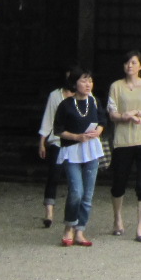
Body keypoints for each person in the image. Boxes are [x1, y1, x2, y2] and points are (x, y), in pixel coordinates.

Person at [107, 50, 141, 241]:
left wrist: (138, 112)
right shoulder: (116, 86)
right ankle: (118, 219)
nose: (129, 66)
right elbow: (112, 112)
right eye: (127, 63)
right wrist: (124, 116)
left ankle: (140, 228)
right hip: (123, 140)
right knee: (119, 182)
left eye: (133, 62)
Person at [53, 69, 106, 246]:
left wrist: (97, 131)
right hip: (72, 150)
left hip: (91, 149)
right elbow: (58, 130)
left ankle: (80, 230)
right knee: (76, 191)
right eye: (84, 81)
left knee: (88, 194)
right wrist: (78, 137)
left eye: (90, 81)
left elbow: (102, 121)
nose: (88, 84)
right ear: (75, 84)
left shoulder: (95, 101)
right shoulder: (66, 104)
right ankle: (69, 226)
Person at [36, 69, 75, 227]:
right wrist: (42, 140)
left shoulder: (84, 95)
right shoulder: (55, 95)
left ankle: (72, 213)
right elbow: (48, 118)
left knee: (74, 180)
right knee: (53, 176)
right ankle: (49, 212)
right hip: (57, 141)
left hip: (76, 141)